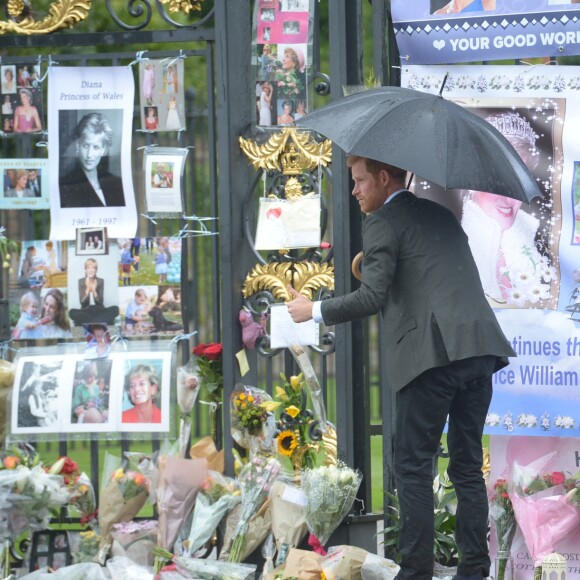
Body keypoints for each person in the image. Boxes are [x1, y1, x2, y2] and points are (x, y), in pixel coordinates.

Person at [286, 156, 516, 580]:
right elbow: (425, 275)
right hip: (479, 350)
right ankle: (474, 571)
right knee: (466, 465)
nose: (354, 191)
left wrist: (312, 309)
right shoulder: (439, 214)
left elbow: (371, 297)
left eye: (359, 181)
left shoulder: (383, 223)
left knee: (411, 466)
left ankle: (414, 573)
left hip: (432, 359)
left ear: (384, 177)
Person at [460, 111, 550, 306]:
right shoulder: (454, 246)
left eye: (519, 182)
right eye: (499, 181)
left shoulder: (537, 248)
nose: (510, 196)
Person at [59, 112, 125, 208]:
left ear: (104, 150)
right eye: (85, 146)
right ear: (78, 145)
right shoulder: (66, 186)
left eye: (96, 147)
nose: (89, 155)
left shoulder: (116, 184)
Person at [68, 258, 119, 326]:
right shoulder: (81, 281)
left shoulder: (100, 281)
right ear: (85, 270)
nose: (90, 270)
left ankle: (88, 321)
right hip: (86, 310)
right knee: (71, 312)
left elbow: (100, 302)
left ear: (96, 270)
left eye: (93, 268)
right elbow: (82, 302)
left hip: (99, 310)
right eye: (88, 268)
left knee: (116, 309)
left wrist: (94, 290)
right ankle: (101, 320)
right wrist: (88, 289)